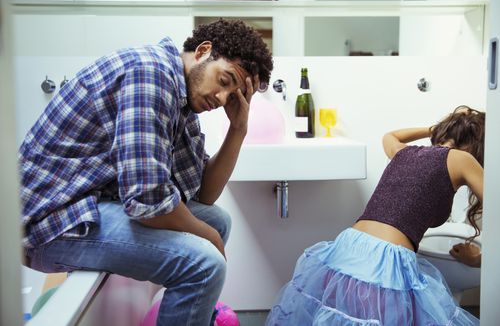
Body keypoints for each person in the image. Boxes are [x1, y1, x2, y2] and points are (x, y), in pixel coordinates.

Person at [19, 18, 273, 325]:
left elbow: (203, 194)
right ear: (204, 51)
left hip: (91, 201)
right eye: (224, 80)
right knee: (205, 264)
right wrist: (210, 242)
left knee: (217, 221)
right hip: (51, 220)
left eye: (232, 95)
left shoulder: (182, 95)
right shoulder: (151, 74)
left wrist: (238, 129)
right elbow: (148, 203)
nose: (221, 99)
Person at [266, 105, 484, 325]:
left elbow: (390, 135)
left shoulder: (404, 152)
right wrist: (479, 259)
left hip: (348, 246)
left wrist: (436, 128)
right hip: (387, 260)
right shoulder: (460, 158)